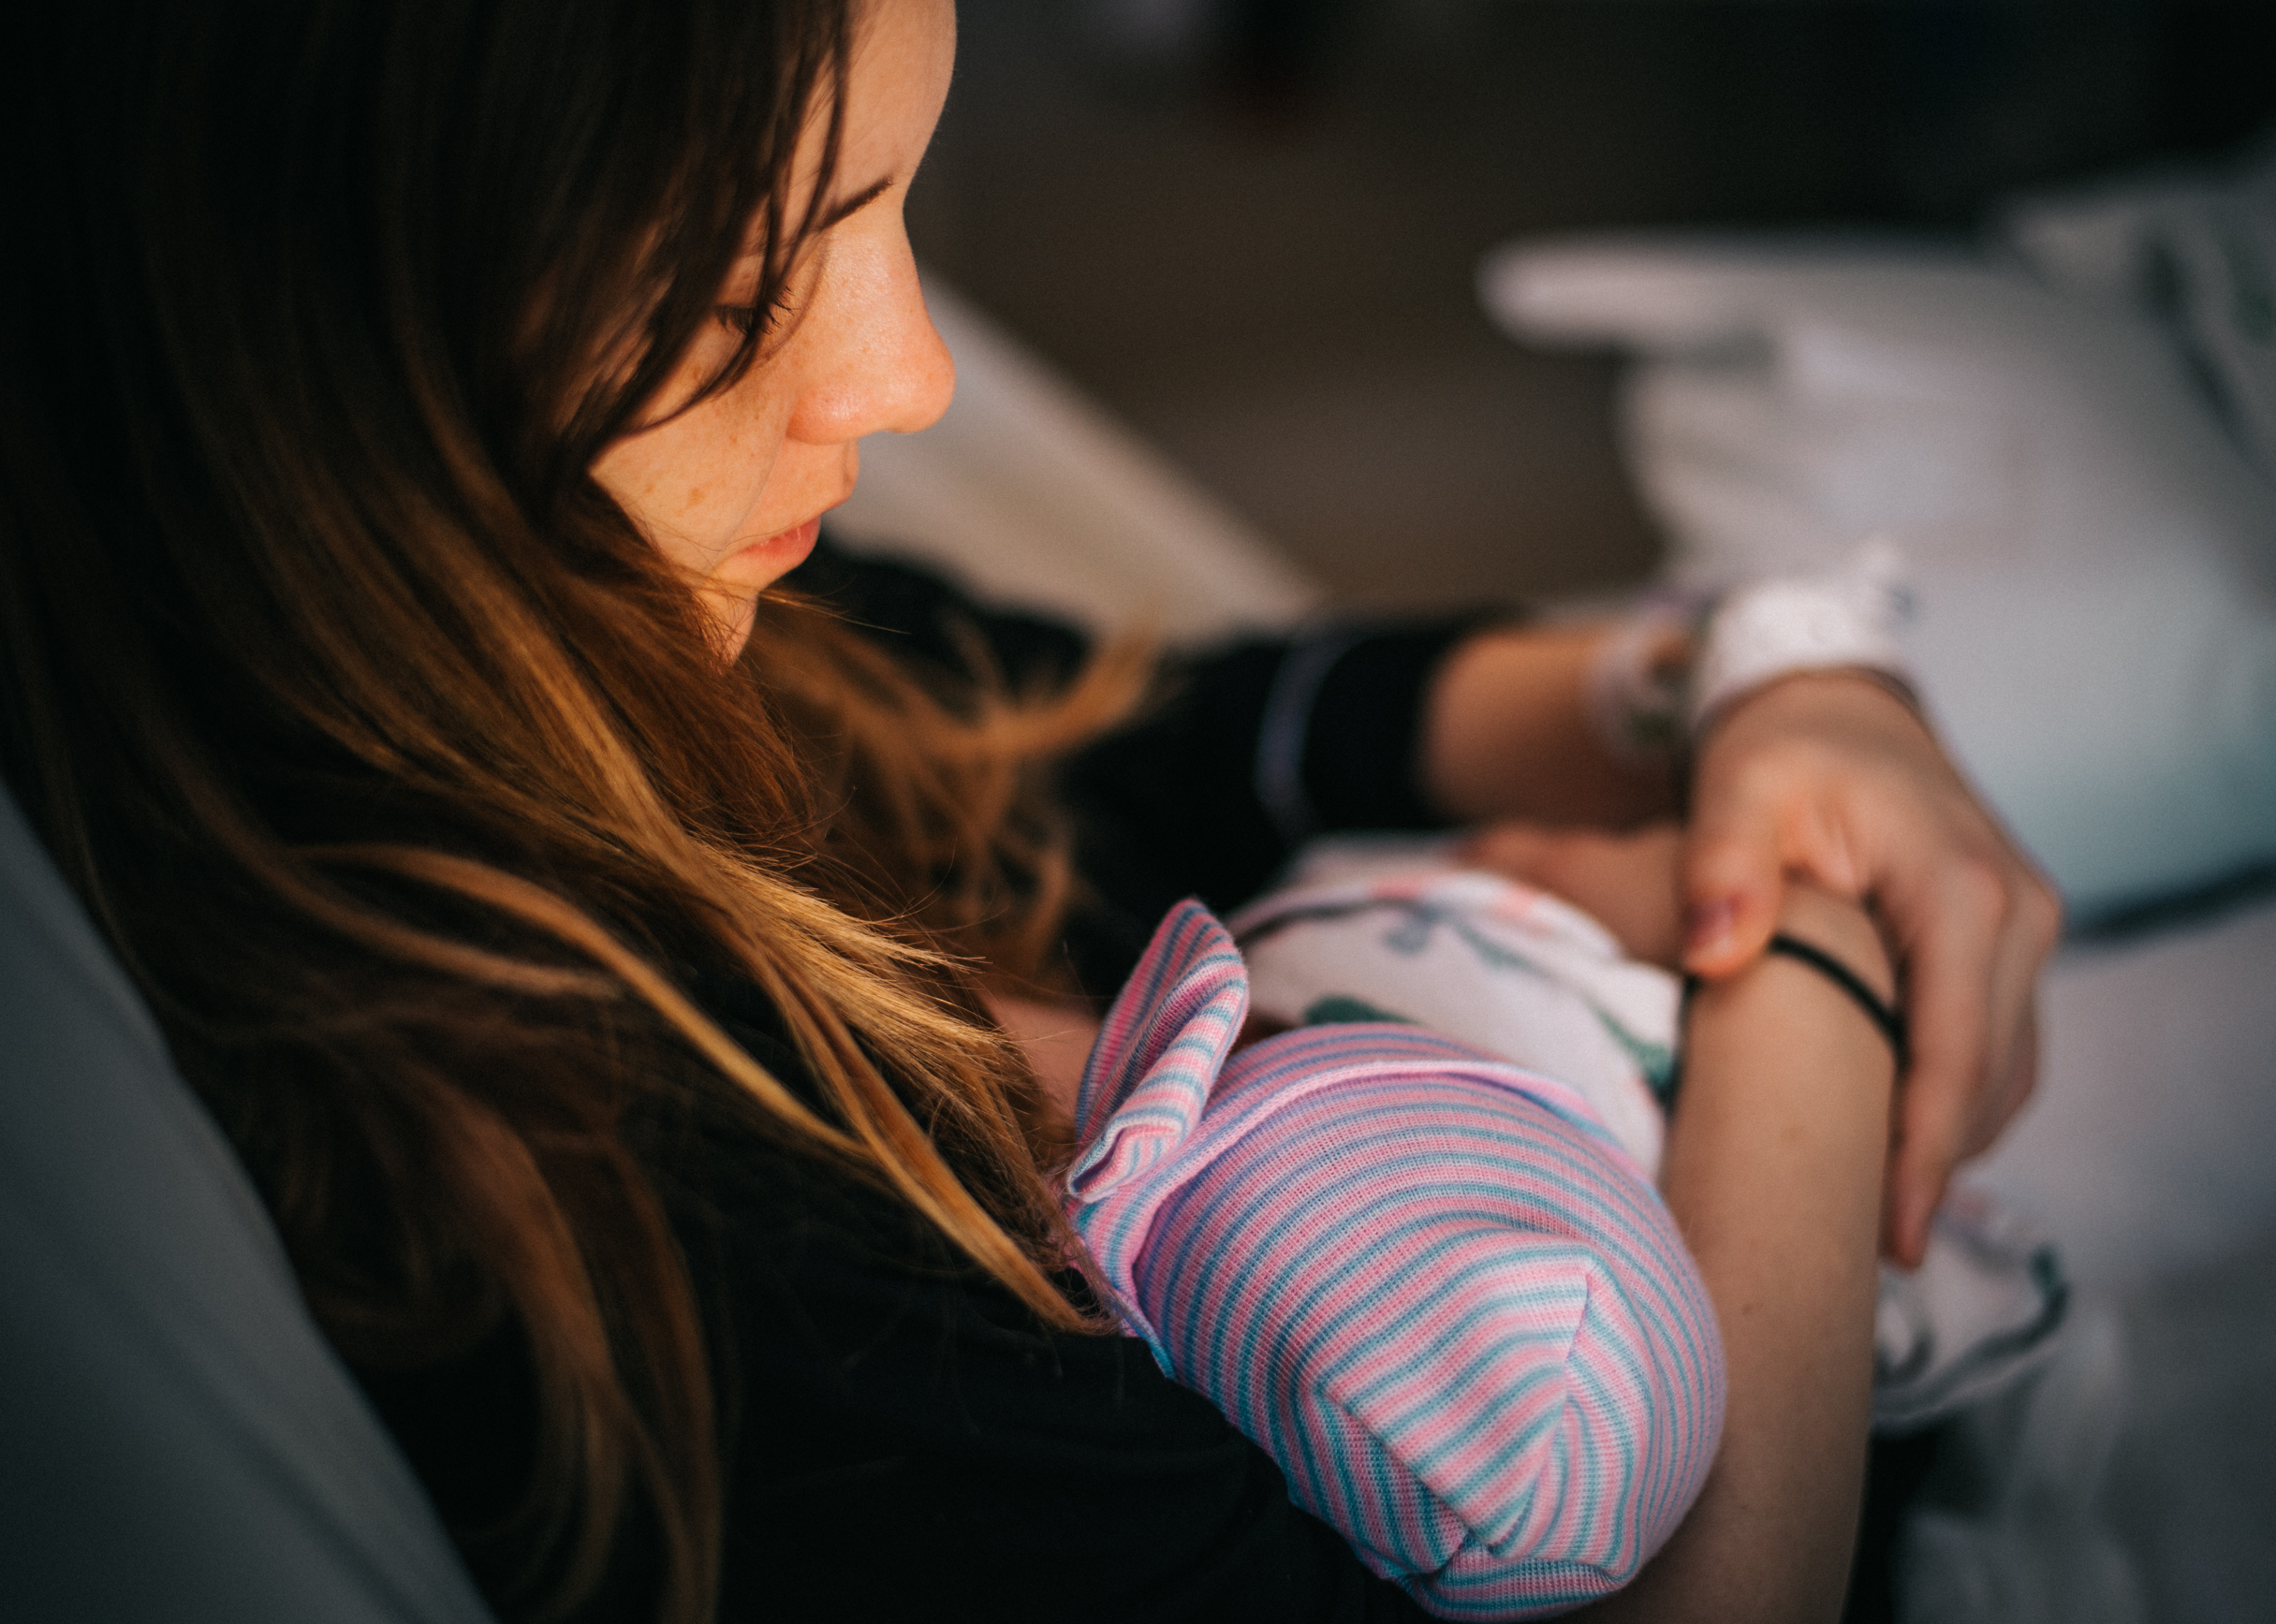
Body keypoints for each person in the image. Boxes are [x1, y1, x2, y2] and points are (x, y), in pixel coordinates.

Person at [0, 3, 2059, 1622]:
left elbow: (1172, 726)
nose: (905, 377)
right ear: (332, 332)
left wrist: (1766, 683)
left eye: (893, 193)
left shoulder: (640, 611)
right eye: (742, 284)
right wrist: (1807, 942)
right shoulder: (676, 1213)